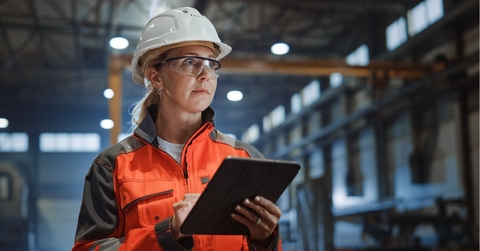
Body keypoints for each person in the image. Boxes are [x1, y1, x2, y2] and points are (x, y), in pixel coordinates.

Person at [72, 6, 282, 251]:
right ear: (156, 77)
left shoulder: (246, 159)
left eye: (212, 64)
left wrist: (265, 240)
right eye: (190, 61)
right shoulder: (113, 166)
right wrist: (167, 233)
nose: (205, 74)